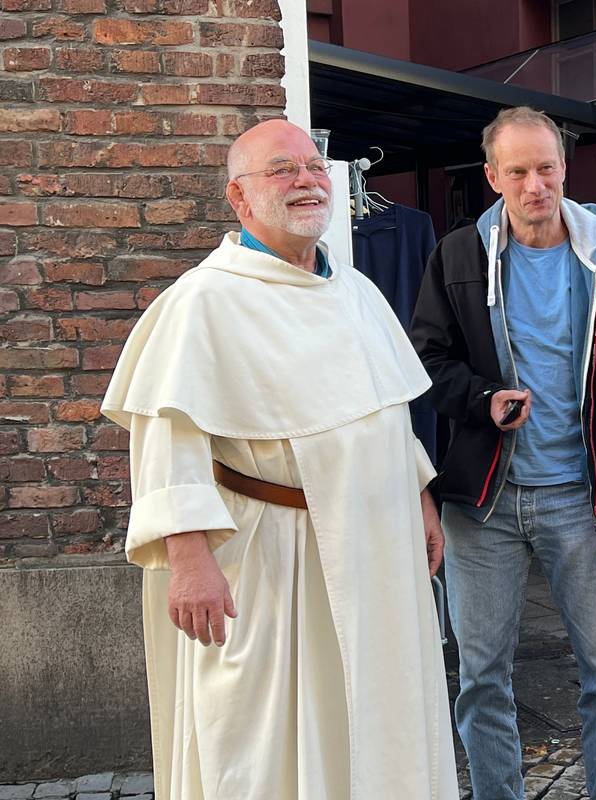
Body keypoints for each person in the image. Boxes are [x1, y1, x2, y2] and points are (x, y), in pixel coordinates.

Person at [101, 120, 457, 799]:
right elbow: (167, 438)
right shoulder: (203, 300)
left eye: (315, 167)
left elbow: (386, 411)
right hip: (274, 559)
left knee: (381, 717)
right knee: (268, 742)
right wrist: (188, 557)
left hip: (377, 552)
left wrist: (420, 496)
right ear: (239, 196)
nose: (306, 180)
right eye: (282, 169)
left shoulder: (355, 291)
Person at [409, 106, 596, 800]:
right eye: (518, 172)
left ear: (565, 168)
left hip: (579, 497)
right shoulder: (457, 255)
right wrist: (482, 398)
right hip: (484, 505)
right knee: (482, 678)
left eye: (546, 168)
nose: (535, 185)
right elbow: (424, 362)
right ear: (492, 177)